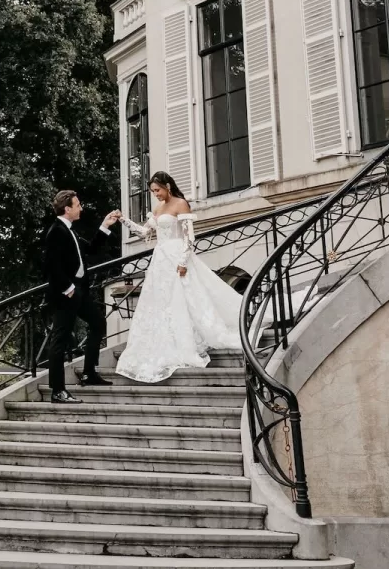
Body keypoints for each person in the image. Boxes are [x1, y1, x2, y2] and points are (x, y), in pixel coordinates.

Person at [111, 171, 241, 383]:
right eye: (153, 191)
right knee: (164, 301)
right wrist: (123, 220)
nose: (156, 194)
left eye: (158, 190)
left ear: (167, 186)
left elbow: (190, 237)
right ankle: (168, 340)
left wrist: (183, 261)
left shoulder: (181, 204)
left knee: (187, 298)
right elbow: (145, 233)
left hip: (177, 257)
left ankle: (190, 340)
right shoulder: (157, 209)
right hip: (160, 260)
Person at [43, 190, 121, 404]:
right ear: (67, 208)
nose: (81, 208)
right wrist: (68, 289)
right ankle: (58, 391)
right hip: (66, 293)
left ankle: (89, 373)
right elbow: (51, 266)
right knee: (60, 339)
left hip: (79, 291)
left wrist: (105, 225)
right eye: (78, 205)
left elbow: (91, 249)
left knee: (97, 322)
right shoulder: (56, 231)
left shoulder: (70, 231)